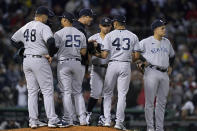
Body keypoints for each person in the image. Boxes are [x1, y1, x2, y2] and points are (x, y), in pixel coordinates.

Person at [11, 6, 65, 128]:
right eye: (47, 16)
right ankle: (52, 120)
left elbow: (13, 40)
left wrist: (23, 48)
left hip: (27, 61)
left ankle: (33, 121)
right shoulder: (43, 27)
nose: (48, 19)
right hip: (40, 60)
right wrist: (51, 54)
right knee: (47, 91)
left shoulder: (26, 26)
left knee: (32, 92)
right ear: (42, 16)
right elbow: (51, 42)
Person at [94, 15, 140, 130]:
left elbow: (104, 56)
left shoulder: (109, 35)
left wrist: (95, 53)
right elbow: (136, 57)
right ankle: (119, 123)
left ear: (115, 23)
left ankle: (107, 120)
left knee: (107, 93)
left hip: (112, 64)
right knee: (122, 95)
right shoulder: (133, 36)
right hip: (125, 65)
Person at [135, 19, 175, 131]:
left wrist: (171, 66)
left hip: (164, 73)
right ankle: (150, 128)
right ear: (155, 29)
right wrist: (141, 61)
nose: (164, 29)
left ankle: (159, 128)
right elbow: (135, 52)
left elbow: (172, 56)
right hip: (151, 71)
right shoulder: (146, 41)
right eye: (162, 28)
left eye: (164, 27)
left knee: (162, 103)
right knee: (149, 103)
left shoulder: (167, 42)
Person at [54, 11, 87, 126]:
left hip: (64, 63)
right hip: (77, 63)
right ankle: (83, 119)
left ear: (65, 20)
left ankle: (68, 118)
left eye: (62, 19)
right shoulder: (80, 33)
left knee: (66, 92)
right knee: (78, 92)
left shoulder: (58, 33)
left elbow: (54, 49)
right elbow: (83, 52)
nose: (61, 20)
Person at [86, 17, 112, 126]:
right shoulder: (93, 38)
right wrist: (87, 67)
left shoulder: (113, 37)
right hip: (96, 67)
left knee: (106, 94)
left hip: (110, 68)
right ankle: (87, 114)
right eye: (104, 25)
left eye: (108, 26)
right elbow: (86, 53)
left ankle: (102, 116)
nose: (106, 28)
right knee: (95, 93)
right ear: (100, 26)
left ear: (111, 26)